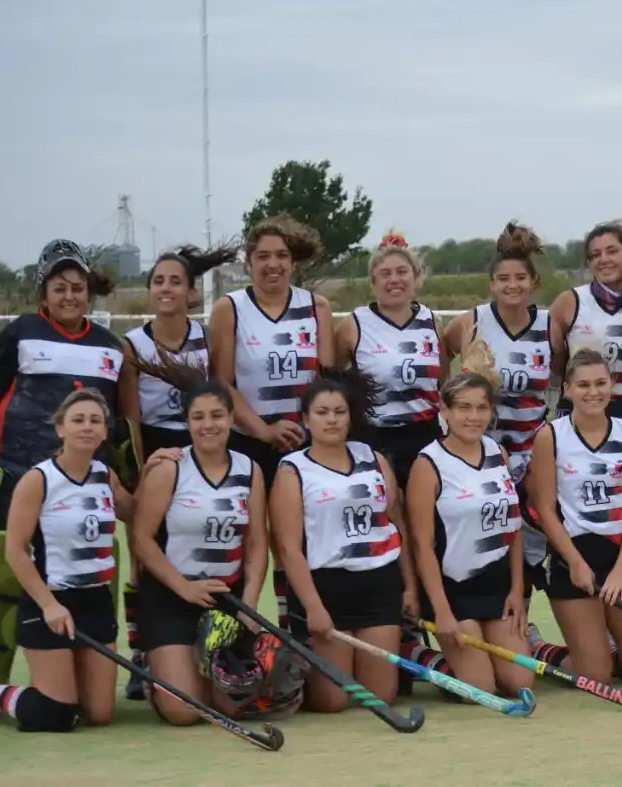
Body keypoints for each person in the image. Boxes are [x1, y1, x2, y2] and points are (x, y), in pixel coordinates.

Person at [0, 240, 127, 697]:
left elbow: (111, 420)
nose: (70, 296)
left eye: (78, 287)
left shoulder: (109, 347)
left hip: (78, 490)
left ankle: (71, 675)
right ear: (44, 292)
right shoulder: (21, 332)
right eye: (60, 288)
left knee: (77, 577)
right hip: (17, 478)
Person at [127, 355, 295, 725]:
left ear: (232, 419)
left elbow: (255, 545)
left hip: (225, 598)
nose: (208, 425)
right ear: (186, 422)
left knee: (237, 705)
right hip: (172, 596)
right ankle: (154, 674)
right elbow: (141, 539)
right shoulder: (169, 467)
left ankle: (197, 671)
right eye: (198, 417)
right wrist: (183, 588)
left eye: (217, 416)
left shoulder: (248, 469)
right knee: (184, 712)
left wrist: (248, 605)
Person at [0, 390, 135, 731]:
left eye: (95, 421)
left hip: (95, 603)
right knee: (57, 715)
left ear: (104, 432)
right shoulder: (39, 479)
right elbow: (15, 550)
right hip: (50, 603)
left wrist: (160, 466)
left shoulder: (105, 477)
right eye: (78, 420)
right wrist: (49, 605)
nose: (87, 427)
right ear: (61, 428)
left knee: (99, 714)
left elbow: (134, 513)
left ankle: (66, 680)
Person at [117, 242, 238, 699]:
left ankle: (211, 630)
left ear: (190, 291)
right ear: (149, 291)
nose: (166, 289)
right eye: (159, 281)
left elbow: (220, 393)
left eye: (175, 282)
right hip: (155, 450)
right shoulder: (133, 343)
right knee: (141, 550)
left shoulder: (206, 338)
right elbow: (130, 415)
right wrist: (145, 464)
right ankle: (140, 656)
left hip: (202, 443)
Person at [208, 215, 335, 626]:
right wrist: (262, 429)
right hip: (249, 440)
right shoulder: (230, 309)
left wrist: (313, 431)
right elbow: (222, 382)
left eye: (281, 255)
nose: (272, 264)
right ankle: (233, 629)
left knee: (294, 541)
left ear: (293, 262)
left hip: (304, 444)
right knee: (245, 539)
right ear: (249, 262)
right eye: (263, 256)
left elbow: (327, 382)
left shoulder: (317, 308)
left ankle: (292, 631)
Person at [272, 371, 417, 711]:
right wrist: (312, 607)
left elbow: (396, 525)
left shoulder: (374, 459)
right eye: (322, 412)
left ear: (350, 417)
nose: (332, 419)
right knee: (332, 701)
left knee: (380, 696)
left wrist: (409, 586)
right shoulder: (293, 469)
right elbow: (288, 548)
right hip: (327, 587)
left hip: (378, 582)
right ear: (306, 419)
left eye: (339, 411)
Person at [406, 338, 534, 698]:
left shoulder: (498, 453)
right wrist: (442, 611)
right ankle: (418, 652)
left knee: (520, 682)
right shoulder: (428, 464)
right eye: (463, 408)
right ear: (443, 412)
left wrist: (516, 591)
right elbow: (422, 545)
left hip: (496, 588)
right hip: (453, 594)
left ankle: (527, 642)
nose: (473, 416)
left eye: (481, 408)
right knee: (482, 689)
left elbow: (513, 528)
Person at [528, 347, 622, 685]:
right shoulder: (550, 437)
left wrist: (621, 570)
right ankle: (542, 649)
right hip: (574, 558)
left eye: (601, 383)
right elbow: (544, 510)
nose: (593, 392)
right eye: (583, 385)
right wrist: (574, 562)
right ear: (568, 389)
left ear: (612, 385)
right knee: (595, 675)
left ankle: (606, 641)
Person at [442, 222, 552, 605]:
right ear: (491, 283)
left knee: (535, 542)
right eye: (503, 278)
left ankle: (524, 619)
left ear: (534, 282)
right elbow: (440, 364)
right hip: (485, 453)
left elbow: (570, 378)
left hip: (535, 454)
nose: (512, 285)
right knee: (491, 538)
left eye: (521, 277)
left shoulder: (550, 327)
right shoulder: (471, 322)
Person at [550, 220, 622, 488]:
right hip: (580, 412)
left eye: (611, 251)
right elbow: (558, 365)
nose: (603, 259)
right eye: (594, 255)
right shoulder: (569, 302)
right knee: (578, 509)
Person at [337, 230, 445, 494]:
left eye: (402, 271)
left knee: (427, 518)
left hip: (425, 434)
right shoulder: (355, 324)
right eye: (385, 274)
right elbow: (334, 377)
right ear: (373, 282)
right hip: (375, 437)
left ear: (415, 276)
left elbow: (441, 379)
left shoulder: (432, 322)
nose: (394, 280)